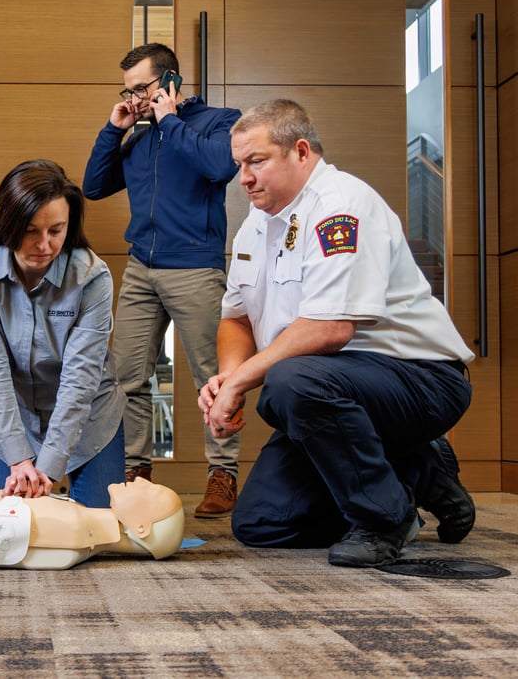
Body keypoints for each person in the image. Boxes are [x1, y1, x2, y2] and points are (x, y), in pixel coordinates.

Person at [199, 99, 477, 568]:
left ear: (301, 151)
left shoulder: (340, 206)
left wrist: (243, 382)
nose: (243, 177)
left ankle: (386, 518)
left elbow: (330, 328)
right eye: (239, 165)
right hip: (328, 391)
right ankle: (414, 470)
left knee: (287, 385)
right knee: (260, 524)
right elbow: (236, 318)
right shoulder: (254, 227)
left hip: (420, 379)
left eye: (256, 161)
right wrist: (228, 378)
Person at [82, 42, 243, 517]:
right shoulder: (138, 137)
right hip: (141, 269)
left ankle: (223, 475)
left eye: (142, 88)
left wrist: (169, 119)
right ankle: (136, 472)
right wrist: (116, 128)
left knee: (214, 377)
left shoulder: (217, 121)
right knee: (127, 377)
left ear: (170, 82)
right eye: (128, 90)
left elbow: (219, 166)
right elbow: (94, 186)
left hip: (195, 264)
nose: (135, 98)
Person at [0, 159, 126, 508]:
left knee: (100, 531)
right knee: (6, 528)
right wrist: (19, 460)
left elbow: (81, 379)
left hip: (89, 413)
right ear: (7, 223)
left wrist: (47, 467)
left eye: (56, 231)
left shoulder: (92, 276)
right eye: (30, 230)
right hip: (11, 414)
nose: (44, 245)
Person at [0, 478, 185, 570]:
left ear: (141, 528)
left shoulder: (75, 530)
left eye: (152, 492)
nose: (143, 482)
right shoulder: (77, 521)